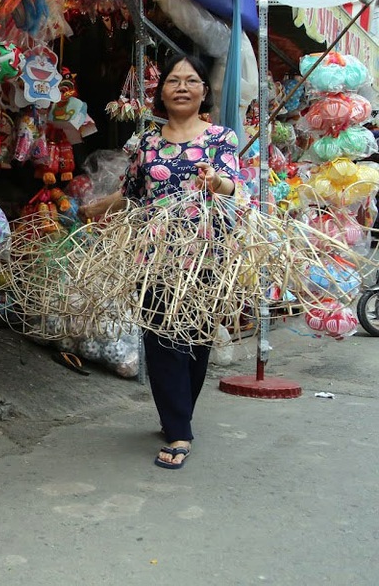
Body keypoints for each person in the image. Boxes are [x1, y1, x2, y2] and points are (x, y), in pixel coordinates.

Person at [79, 54, 244, 470]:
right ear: (162, 91)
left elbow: (233, 187)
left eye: (191, 80)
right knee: (161, 339)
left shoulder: (221, 137)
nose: (182, 87)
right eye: (174, 80)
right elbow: (133, 192)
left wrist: (215, 181)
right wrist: (97, 208)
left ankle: (179, 413)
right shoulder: (147, 144)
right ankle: (179, 430)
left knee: (197, 339)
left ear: (204, 91)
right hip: (154, 256)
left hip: (206, 254)